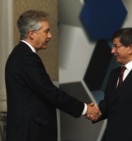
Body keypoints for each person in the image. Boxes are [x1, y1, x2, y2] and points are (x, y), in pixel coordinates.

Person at [5, 10, 101, 141]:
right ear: (31, 34)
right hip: (29, 134)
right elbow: (49, 92)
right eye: (46, 31)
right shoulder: (27, 58)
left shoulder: (21, 54)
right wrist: (85, 109)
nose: (50, 36)